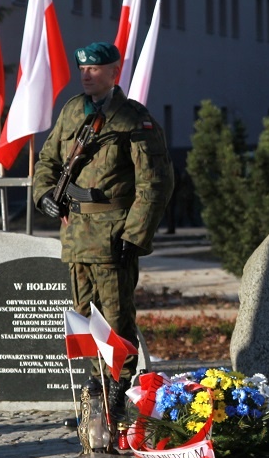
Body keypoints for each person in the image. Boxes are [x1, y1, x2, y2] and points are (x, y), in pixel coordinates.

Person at [32, 41, 174, 426]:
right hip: (76, 235)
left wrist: (135, 234)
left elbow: (155, 182)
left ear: (115, 72)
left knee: (115, 321)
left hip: (114, 237)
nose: (86, 74)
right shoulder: (73, 110)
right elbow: (47, 159)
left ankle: (119, 399)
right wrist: (44, 194)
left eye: (95, 69)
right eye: (82, 68)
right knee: (82, 318)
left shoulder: (133, 119)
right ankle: (94, 402)